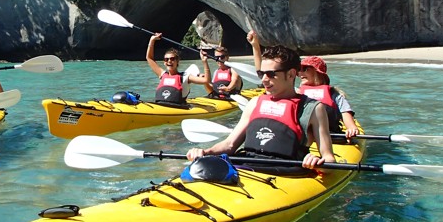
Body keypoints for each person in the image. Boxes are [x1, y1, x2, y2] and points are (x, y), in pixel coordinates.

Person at [187, 31, 335, 171]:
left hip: (287, 173)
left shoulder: (313, 109)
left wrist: (318, 162)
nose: (263, 79)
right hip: (245, 168)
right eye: (261, 73)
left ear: (290, 75)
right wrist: (206, 151)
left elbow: (329, 158)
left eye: (270, 74)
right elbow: (230, 144)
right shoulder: (254, 103)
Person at [297, 56, 360, 139]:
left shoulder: (335, 94)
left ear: (317, 72)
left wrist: (351, 128)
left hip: (330, 135)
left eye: (305, 69)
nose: (300, 73)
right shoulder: (296, 92)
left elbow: (345, 113)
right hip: (303, 136)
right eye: (299, 69)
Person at [146, 33, 210, 105]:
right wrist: (152, 40)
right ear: (164, 62)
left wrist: (204, 61)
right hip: (160, 106)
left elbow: (206, 80)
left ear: (177, 61)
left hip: (177, 107)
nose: (169, 61)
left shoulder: (185, 77)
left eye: (172, 59)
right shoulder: (162, 74)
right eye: (166, 59)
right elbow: (149, 58)